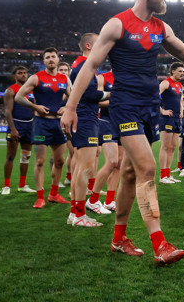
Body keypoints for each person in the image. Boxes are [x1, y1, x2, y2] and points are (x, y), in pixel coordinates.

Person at [60, 0, 184, 266]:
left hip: (150, 107)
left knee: (127, 173)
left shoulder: (162, 27)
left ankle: (119, 238)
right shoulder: (117, 23)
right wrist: (71, 106)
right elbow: (91, 66)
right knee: (148, 166)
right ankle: (160, 243)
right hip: (125, 106)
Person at [15, 47, 70, 208]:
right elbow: (19, 96)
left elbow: (73, 96)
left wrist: (66, 107)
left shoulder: (64, 79)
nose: (51, 59)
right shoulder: (36, 78)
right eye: (47, 57)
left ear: (58, 59)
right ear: (44, 61)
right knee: (40, 161)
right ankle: (40, 197)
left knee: (59, 161)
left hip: (58, 124)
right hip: (41, 124)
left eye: (53, 56)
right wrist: (35, 106)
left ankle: (54, 194)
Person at [67, 33, 111, 227]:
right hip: (85, 118)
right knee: (85, 167)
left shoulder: (82, 65)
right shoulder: (83, 65)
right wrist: (113, 93)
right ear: (88, 46)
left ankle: (75, 213)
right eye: (100, 43)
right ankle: (78, 215)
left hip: (86, 117)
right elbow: (90, 94)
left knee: (80, 167)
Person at [89, 69, 121, 212]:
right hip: (106, 121)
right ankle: (93, 200)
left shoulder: (128, 77)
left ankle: (109, 201)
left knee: (118, 165)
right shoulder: (102, 78)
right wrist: (118, 100)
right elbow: (97, 101)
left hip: (123, 122)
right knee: (112, 162)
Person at [1, 66, 35, 195]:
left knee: (25, 156)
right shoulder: (11, 91)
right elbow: (7, 111)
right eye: (20, 73)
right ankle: (6, 185)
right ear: (15, 75)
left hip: (29, 126)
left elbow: (34, 108)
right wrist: (13, 128)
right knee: (10, 156)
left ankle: (22, 185)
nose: (23, 75)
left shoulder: (31, 90)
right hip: (16, 125)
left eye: (25, 73)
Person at [158, 62, 184, 184]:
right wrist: (162, 111)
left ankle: (168, 175)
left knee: (173, 147)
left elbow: (180, 100)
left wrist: (181, 111)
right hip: (167, 118)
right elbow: (154, 96)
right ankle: (162, 176)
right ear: (173, 71)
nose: (182, 74)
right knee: (165, 146)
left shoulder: (179, 85)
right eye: (180, 71)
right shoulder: (166, 82)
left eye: (183, 72)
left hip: (176, 118)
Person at [57, 62, 75, 187]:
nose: (64, 72)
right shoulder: (54, 86)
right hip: (53, 121)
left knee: (72, 151)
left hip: (67, 121)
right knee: (57, 154)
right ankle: (57, 181)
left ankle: (69, 177)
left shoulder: (69, 85)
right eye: (61, 69)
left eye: (66, 70)